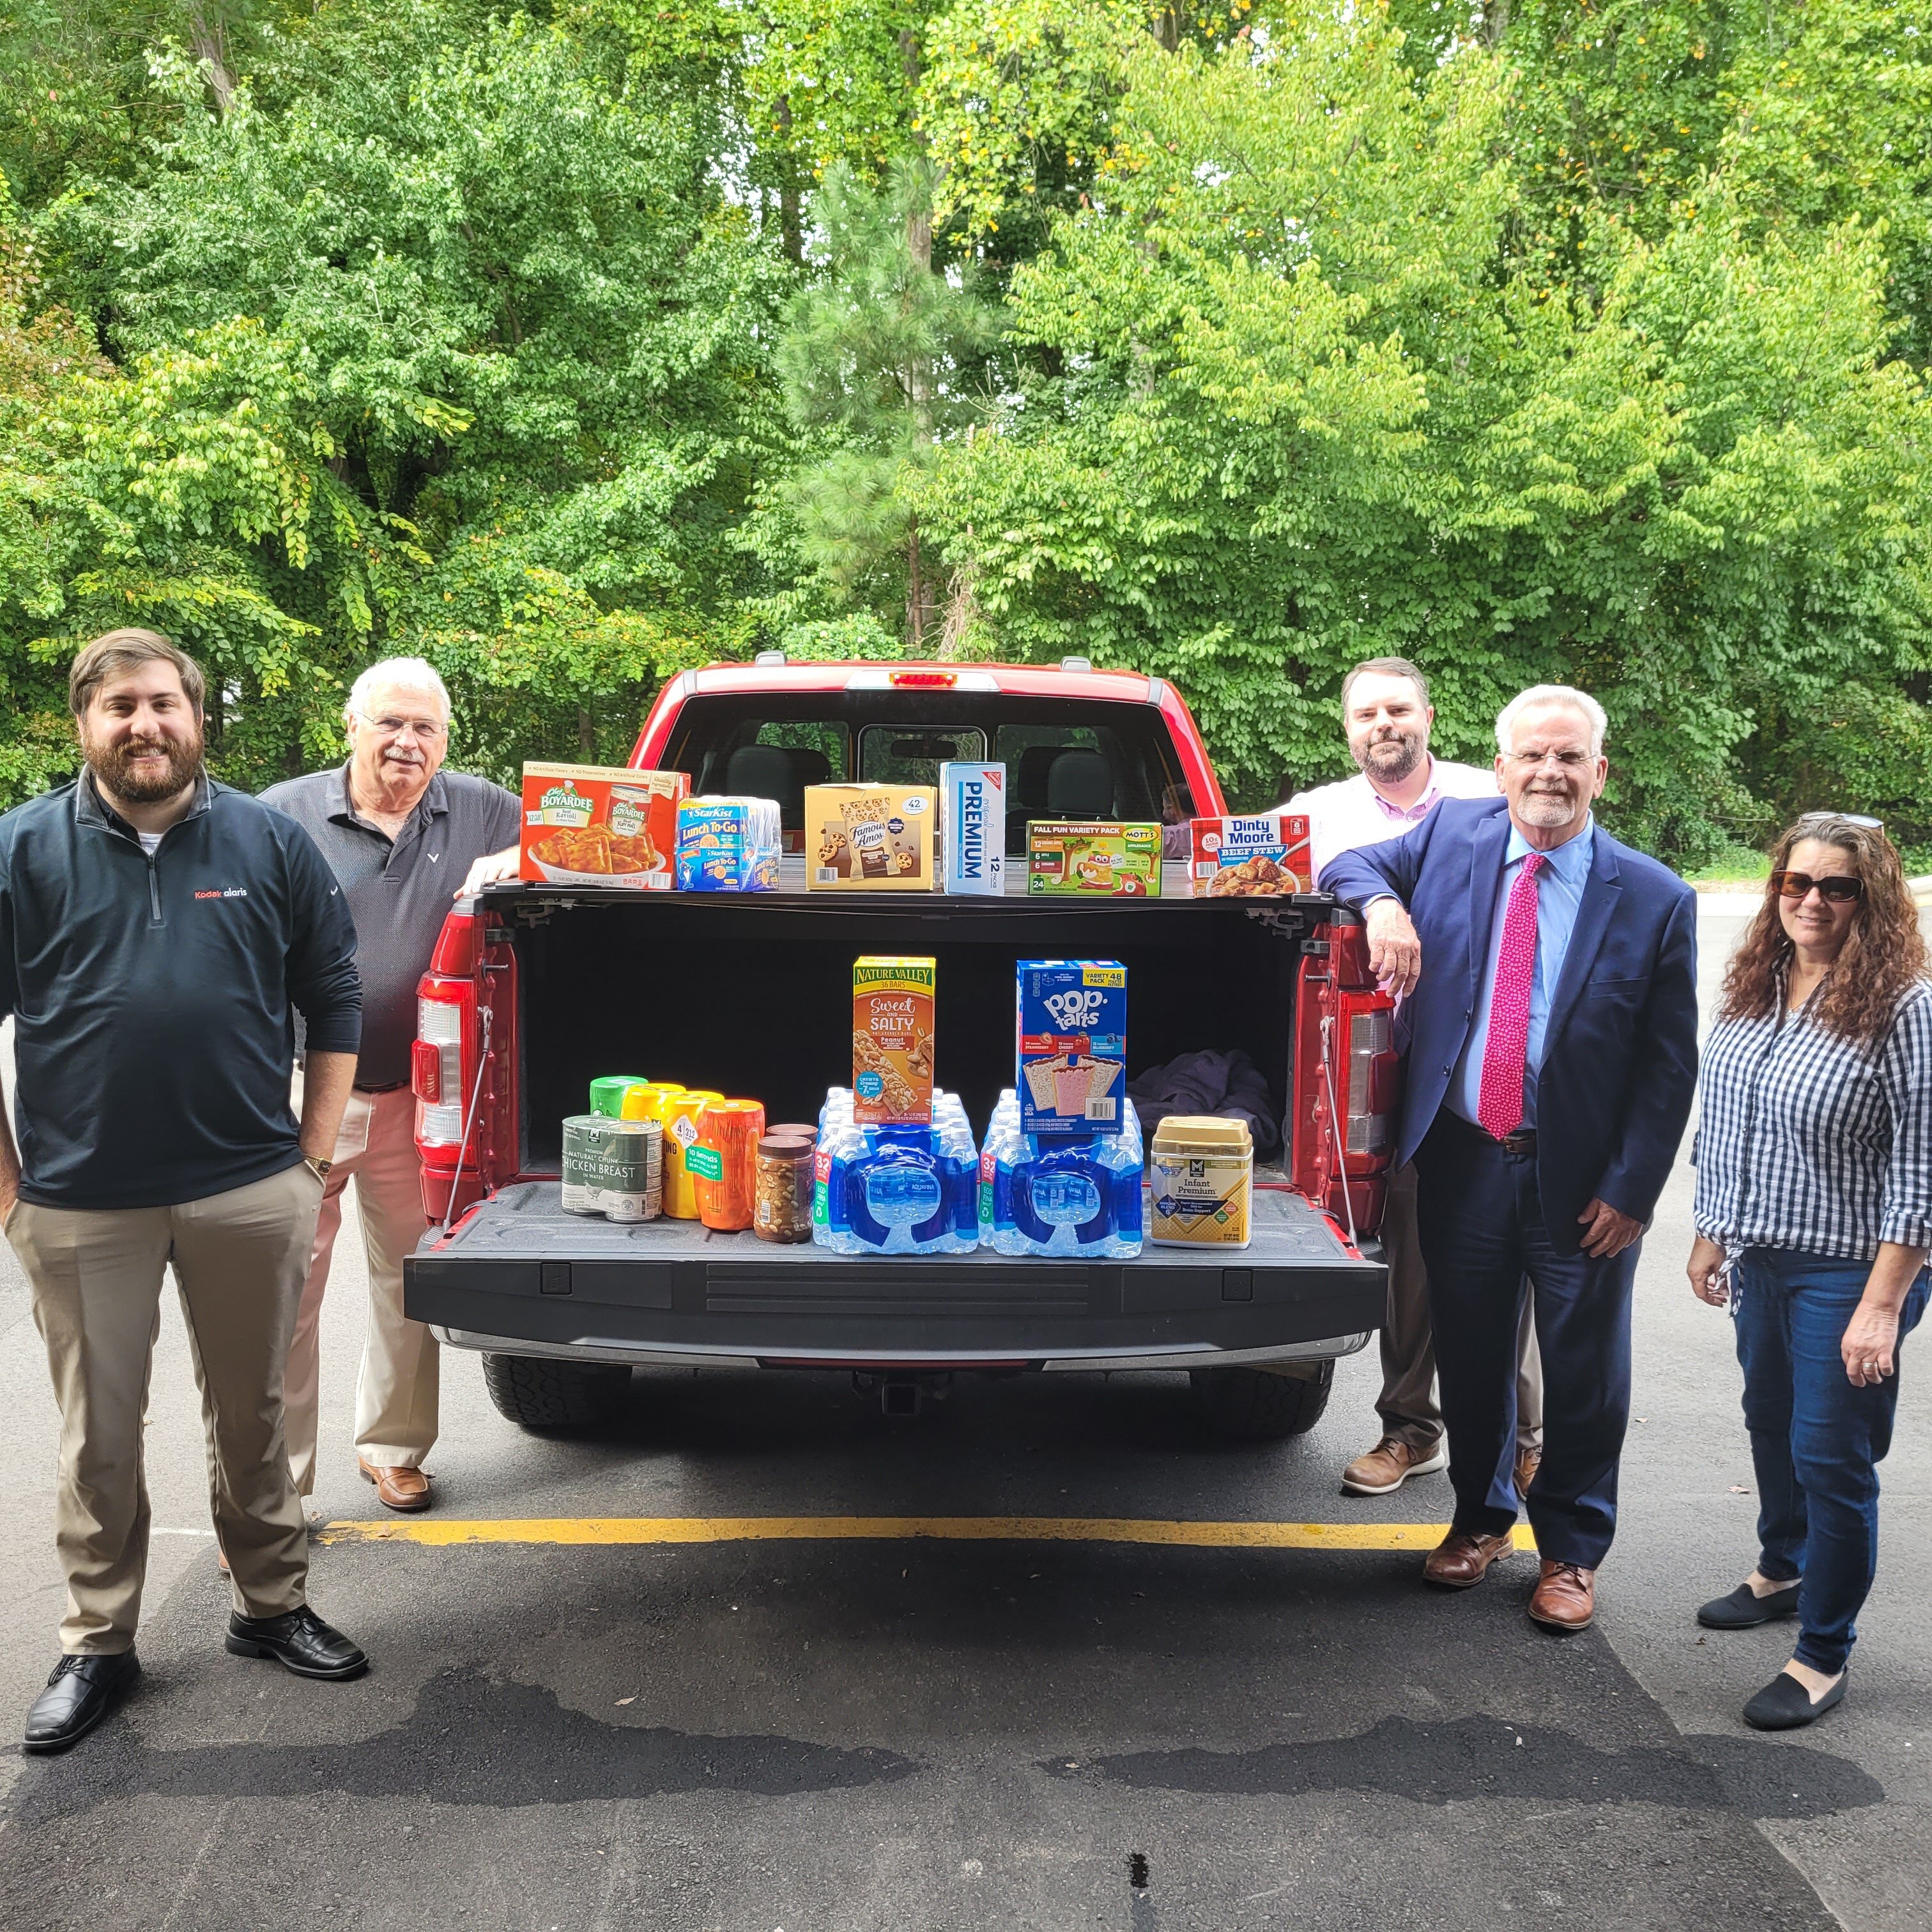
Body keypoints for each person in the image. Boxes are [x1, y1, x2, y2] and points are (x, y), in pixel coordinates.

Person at [2, 629, 369, 1756]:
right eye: (119, 707)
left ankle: (271, 1606)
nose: (144, 725)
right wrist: (11, 1191)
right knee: (98, 1436)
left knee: (253, 1413)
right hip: (79, 1200)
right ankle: (98, 1643)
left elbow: (335, 995)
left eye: (163, 702)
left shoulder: (270, 841)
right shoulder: (20, 850)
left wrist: (310, 1161)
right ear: (83, 724)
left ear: (197, 716)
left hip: (247, 1188)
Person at [1322, 684, 1698, 1633]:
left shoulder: (1654, 897)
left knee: (1585, 1373)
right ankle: (1481, 1519)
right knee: (1473, 1353)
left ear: (1600, 772)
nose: (1549, 774)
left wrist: (1633, 1190)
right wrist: (1383, 908)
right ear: (1500, 768)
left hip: (1584, 1183)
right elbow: (1348, 861)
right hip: (1464, 1160)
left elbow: (1666, 1069)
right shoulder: (1452, 836)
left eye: (1569, 758)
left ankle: (1571, 1551)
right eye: (1532, 756)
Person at [1686, 815, 1931, 1730]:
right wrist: (1711, 1232)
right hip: (1761, 1255)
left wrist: (1881, 1306)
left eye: (1837, 887)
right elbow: (1726, 1117)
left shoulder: (1905, 1005)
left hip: (1851, 1271)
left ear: (1873, 899)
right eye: (1796, 883)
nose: (1812, 902)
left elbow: (1922, 1166)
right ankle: (1782, 1568)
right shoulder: (1759, 981)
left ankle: (1824, 1652)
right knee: (1770, 1422)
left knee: (1832, 1457)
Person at [261, 657, 519, 1514]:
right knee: (284, 1292)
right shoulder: (283, 814)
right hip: (302, 1090)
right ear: (352, 727)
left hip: (423, 1093)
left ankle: (395, 1448)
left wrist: (510, 861)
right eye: (391, 724)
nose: (408, 742)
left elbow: (573, 838)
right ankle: (272, 1491)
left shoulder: (479, 808)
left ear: (444, 741)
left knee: (411, 1277)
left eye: (426, 729)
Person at [1284, 657, 1544, 1501]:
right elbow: (1237, 858)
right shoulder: (1317, 814)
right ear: (1346, 728)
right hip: (1376, 1077)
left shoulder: (1486, 798)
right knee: (1411, 1257)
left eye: (1398, 709)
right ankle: (1411, 1429)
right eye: (1366, 714)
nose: (1383, 725)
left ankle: (1529, 1440)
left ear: (1429, 716)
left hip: (1486, 1066)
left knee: (1513, 1256)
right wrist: (1383, 905)